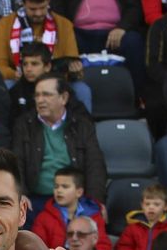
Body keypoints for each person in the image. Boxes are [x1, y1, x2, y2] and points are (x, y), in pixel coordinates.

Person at [10, 73, 106, 211]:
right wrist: (21, 195)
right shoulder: (23, 124)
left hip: (75, 198)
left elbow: (95, 165)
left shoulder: (81, 125)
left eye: (47, 95)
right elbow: (16, 163)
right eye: (37, 95)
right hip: (35, 199)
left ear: (64, 98)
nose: (40, 100)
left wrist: (95, 201)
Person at [31, 165, 112, 250]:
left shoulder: (94, 216)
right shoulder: (43, 218)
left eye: (65, 187)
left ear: (79, 192)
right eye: (56, 186)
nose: (59, 190)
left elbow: (103, 246)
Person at [0, 0, 78, 81]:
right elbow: (0, 64)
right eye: (32, 9)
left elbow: (71, 59)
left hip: (55, 79)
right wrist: (15, 74)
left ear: (48, 1)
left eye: (42, 8)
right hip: (18, 80)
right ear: (23, 3)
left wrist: (74, 68)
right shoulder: (5, 24)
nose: (38, 13)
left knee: (81, 89)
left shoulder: (64, 25)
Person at [116, 182, 167, 250]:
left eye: (156, 204)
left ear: (166, 206)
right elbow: (122, 248)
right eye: (147, 204)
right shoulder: (133, 227)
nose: (151, 207)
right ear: (142, 205)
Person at [6, 40, 51, 127]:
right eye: (25, 64)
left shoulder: (60, 89)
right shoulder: (15, 92)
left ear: (47, 67)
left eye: (34, 64)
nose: (28, 69)